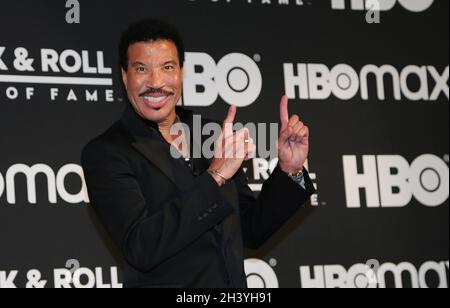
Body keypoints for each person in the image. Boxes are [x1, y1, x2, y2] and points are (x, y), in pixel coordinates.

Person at [81, 18, 315, 288]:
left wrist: (290, 170)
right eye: (141, 69)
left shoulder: (211, 133)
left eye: (167, 67)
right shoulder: (106, 153)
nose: (155, 82)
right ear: (125, 76)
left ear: (181, 72)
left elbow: (249, 230)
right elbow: (141, 247)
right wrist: (215, 176)